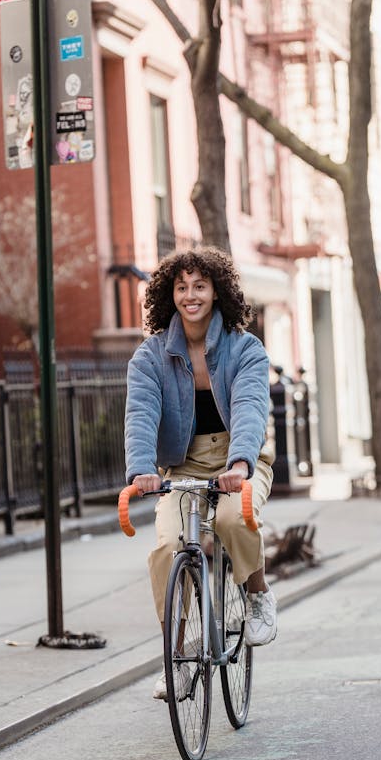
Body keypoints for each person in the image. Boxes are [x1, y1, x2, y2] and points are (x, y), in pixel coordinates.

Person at [124, 245, 277, 701]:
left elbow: (250, 407)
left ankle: (257, 594)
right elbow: (141, 412)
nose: (190, 295)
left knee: (232, 520)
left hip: (239, 461)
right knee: (171, 547)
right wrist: (141, 470)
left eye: (200, 286)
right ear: (169, 295)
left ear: (217, 293)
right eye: (181, 287)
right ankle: (178, 658)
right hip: (183, 465)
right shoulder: (150, 356)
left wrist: (242, 462)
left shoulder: (244, 349)